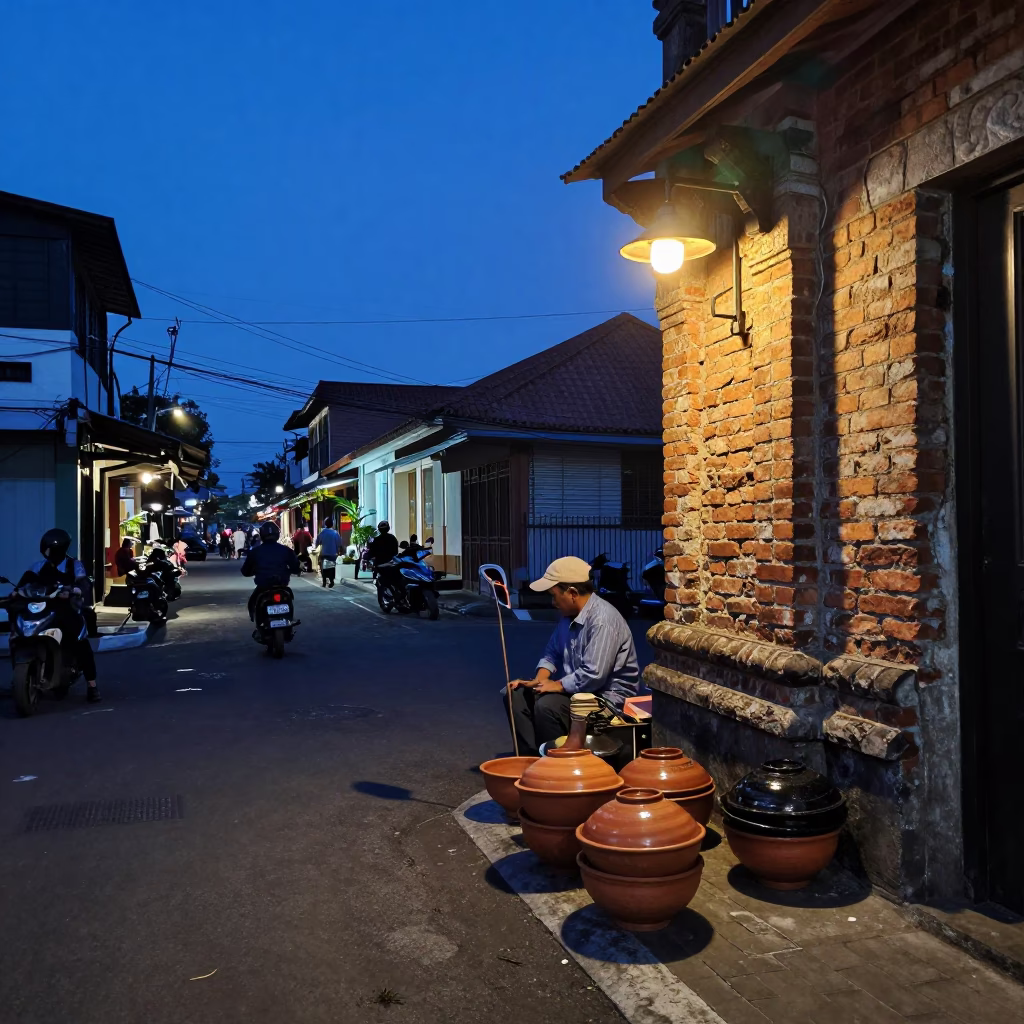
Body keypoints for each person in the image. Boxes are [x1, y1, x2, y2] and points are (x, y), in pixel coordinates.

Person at [504, 556, 640, 756]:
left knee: (547, 706)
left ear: (572, 593)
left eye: (555, 596)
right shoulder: (567, 617)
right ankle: (531, 757)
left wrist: (557, 685)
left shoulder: (603, 620)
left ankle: (559, 765)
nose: (553, 602)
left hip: (608, 700)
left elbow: (593, 675)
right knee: (515, 694)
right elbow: (551, 652)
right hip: (577, 691)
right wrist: (539, 680)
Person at [15, 528, 101, 703]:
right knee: (17, 628)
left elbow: (84, 583)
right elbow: (23, 584)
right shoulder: (38, 566)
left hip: (66, 609)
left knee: (80, 641)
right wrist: (15, 593)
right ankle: (22, 677)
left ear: (60, 549)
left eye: (51, 549)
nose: (48, 553)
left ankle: (92, 685)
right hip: (43, 608)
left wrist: (74, 590)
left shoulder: (74, 565)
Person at [240, 521, 301, 619]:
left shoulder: (255, 551)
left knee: (253, 602)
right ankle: (289, 621)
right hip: (282, 584)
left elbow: (245, 571)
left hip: (263, 586)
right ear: (277, 534)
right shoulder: (286, 550)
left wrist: (251, 571)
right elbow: (296, 567)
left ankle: (257, 620)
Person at [314, 517, 342, 588]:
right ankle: (331, 581)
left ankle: (324, 582)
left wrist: (316, 546)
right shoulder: (336, 533)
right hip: (333, 555)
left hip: (324, 554)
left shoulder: (322, 532)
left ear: (325, 524)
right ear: (332, 524)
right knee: (332, 568)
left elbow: (317, 542)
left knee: (323, 567)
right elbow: (339, 544)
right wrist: (340, 552)